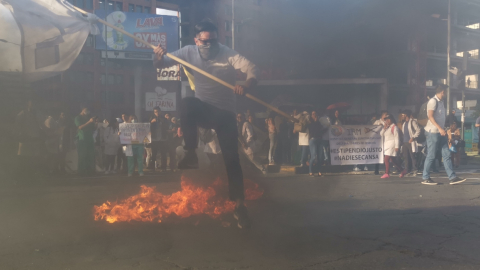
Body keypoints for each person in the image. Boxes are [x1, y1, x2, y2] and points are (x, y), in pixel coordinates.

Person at [154, 19, 258, 228]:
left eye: (213, 41)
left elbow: (252, 69)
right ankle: (191, 152)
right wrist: (157, 57)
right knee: (187, 104)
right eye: (205, 41)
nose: (210, 45)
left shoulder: (227, 53)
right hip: (204, 109)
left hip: (226, 114)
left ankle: (239, 206)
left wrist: (246, 85)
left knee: (232, 159)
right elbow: (162, 63)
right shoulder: (188, 52)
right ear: (197, 40)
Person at [422, 84, 466, 185]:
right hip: (432, 132)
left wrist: (443, 129)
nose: (447, 94)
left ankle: (452, 177)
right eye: (446, 91)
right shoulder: (433, 101)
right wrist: (440, 128)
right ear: (442, 92)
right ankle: (425, 177)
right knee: (431, 155)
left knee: (446, 154)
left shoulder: (441, 102)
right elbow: (430, 116)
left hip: (441, 133)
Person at [380, 114, 406, 178]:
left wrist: (397, 146)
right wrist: (384, 128)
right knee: (392, 160)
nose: (387, 121)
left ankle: (387, 173)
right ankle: (402, 170)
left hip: (392, 145)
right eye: (386, 120)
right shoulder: (387, 127)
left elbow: (396, 137)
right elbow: (381, 134)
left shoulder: (394, 127)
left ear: (391, 119)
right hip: (387, 145)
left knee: (386, 159)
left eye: (388, 119)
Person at [74, 106, 96, 176]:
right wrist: (89, 122)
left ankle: (89, 170)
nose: (88, 112)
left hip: (89, 139)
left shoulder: (89, 118)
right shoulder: (78, 118)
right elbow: (80, 127)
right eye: (86, 110)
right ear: (82, 110)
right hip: (82, 139)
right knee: (82, 155)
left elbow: (93, 128)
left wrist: (95, 123)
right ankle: (81, 171)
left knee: (90, 155)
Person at [149, 107, 170, 172]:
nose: (157, 113)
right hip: (154, 139)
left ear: (160, 111)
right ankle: (152, 168)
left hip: (163, 139)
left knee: (163, 154)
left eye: (158, 111)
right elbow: (147, 127)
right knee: (154, 154)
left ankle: (163, 168)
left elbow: (167, 125)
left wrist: (162, 120)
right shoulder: (151, 119)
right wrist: (151, 122)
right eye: (155, 112)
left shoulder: (164, 119)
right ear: (154, 112)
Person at [400, 110, 421, 177]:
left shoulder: (412, 122)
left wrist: (413, 137)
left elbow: (418, 130)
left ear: (406, 115)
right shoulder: (404, 123)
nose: (402, 116)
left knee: (412, 156)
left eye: (403, 115)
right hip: (405, 142)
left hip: (410, 142)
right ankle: (408, 170)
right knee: (406, 157)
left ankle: (415, 170)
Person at [307, 110, 324, 177]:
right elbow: (313, 129)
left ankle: (319, 171)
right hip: (313, 140)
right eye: (313, 114)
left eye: (315, 114)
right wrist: (316, 121)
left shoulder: (319, 123)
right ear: (311, 115)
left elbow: (320, 129)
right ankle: (310, 171)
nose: (314, 115)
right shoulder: (310, 123)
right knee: (313, 156)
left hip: (319, 139)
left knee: (320, 156)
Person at [373, 110, 388, 175]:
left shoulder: (387, 122)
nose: (386, 116)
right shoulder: (377, 121)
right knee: (378, 155)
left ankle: (386, 170)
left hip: (385, 140)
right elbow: (372, 129)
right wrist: (378, 125)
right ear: (382, 115)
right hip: (378, 141)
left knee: (386, 156)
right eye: (385, 115)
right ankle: (376, 170)